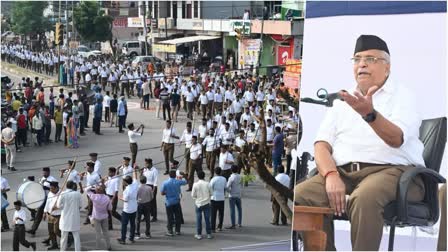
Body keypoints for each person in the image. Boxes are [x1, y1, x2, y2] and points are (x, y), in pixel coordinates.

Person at [294, 35, 426, 251]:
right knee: (301, 195)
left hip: (393, 173)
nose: (362, 64)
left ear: (387, 67)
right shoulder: (342, 100)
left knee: (365, 197)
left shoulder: (403, 96)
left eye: (370, 59)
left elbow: (396, 139)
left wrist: (369, 114)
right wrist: (330, 175)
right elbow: (321, 145)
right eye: (357, 59)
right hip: (343, 174)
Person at [56, 180, 82, 252]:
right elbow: (80, 206)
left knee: (64, 237)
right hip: (75, 218)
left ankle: (62, 250)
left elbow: (58, 206)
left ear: (66, 186)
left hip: (65, 219)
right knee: (76, 237)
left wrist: (64, 206)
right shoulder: (78, 194)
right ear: (73, 186)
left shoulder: (62, 194)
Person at [160, 169, 187, 236]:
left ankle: (170, 231)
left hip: (168, 202)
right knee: (177, 217)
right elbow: (187, 182)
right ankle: (177, 231)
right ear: (175, 175)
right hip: (176, 202)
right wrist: (184, 175)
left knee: (170, 217)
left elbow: (162, 193)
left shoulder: (165, 183)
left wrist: (167, 193)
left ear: (169, 175)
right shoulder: (178, 182)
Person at [87, 185, 112, 250]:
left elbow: (87, 190)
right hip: (105, 216)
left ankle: (98, 247)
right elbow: (110, 208)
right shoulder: (107, 198)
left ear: (96, 191)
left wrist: (92, 186)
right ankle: (108, 246)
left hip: (96, 217)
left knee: (98, 233)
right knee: (106, 232)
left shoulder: (94, 196)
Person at [117, 174, 139, 245]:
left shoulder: (127, 190)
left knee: (124, 225)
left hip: (127, 209)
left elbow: (125, 200)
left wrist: (120, 197)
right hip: (134, 208)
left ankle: (123, 239)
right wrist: (134, 171)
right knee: (133, 224)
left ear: (126, 182)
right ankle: (131, 238)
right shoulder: (135, 185)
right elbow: (135, 178)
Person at [191, 171, 213, 240]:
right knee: (207, 219)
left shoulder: (195, 184)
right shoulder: (208, 184)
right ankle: (209, 234)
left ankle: (199, 234)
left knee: (198, 219)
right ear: (204, 176)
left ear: (198, 176)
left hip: (198, 204)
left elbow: (193, 195)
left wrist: (196, 198)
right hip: (206, 203)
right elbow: (211, 193)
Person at [135, 168, 153, 240]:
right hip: (147, 204)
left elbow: (135, 197)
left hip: (139, 204)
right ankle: (147, 233)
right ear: (146, 181)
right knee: (147, 220)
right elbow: (152, 197)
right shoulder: (149, 188)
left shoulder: (138, 188)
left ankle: (137, 233)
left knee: (138, 220)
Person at [43, 181, 61, 250]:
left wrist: (57, 207)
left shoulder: (62, 194)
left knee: (56, 231)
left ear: (57, 188)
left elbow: (65, 205)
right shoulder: (50, 193)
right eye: (50, 188)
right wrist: (44, 212)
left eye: (52, 188)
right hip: (50, 215)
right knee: (51, 231)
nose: (51, 190)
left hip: (58, 215)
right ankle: (54, 244)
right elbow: (47, 203)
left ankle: (68, 238)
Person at [209, 167, 226, 232]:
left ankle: (213, 228)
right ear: (221, 172)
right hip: (221, 198)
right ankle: (219, 227)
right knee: (221, 214)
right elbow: (225, 187)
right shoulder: (224, 179)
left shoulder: (213, 179)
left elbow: (210, 187)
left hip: (214, 198)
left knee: (213, 214)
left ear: (215, 172)